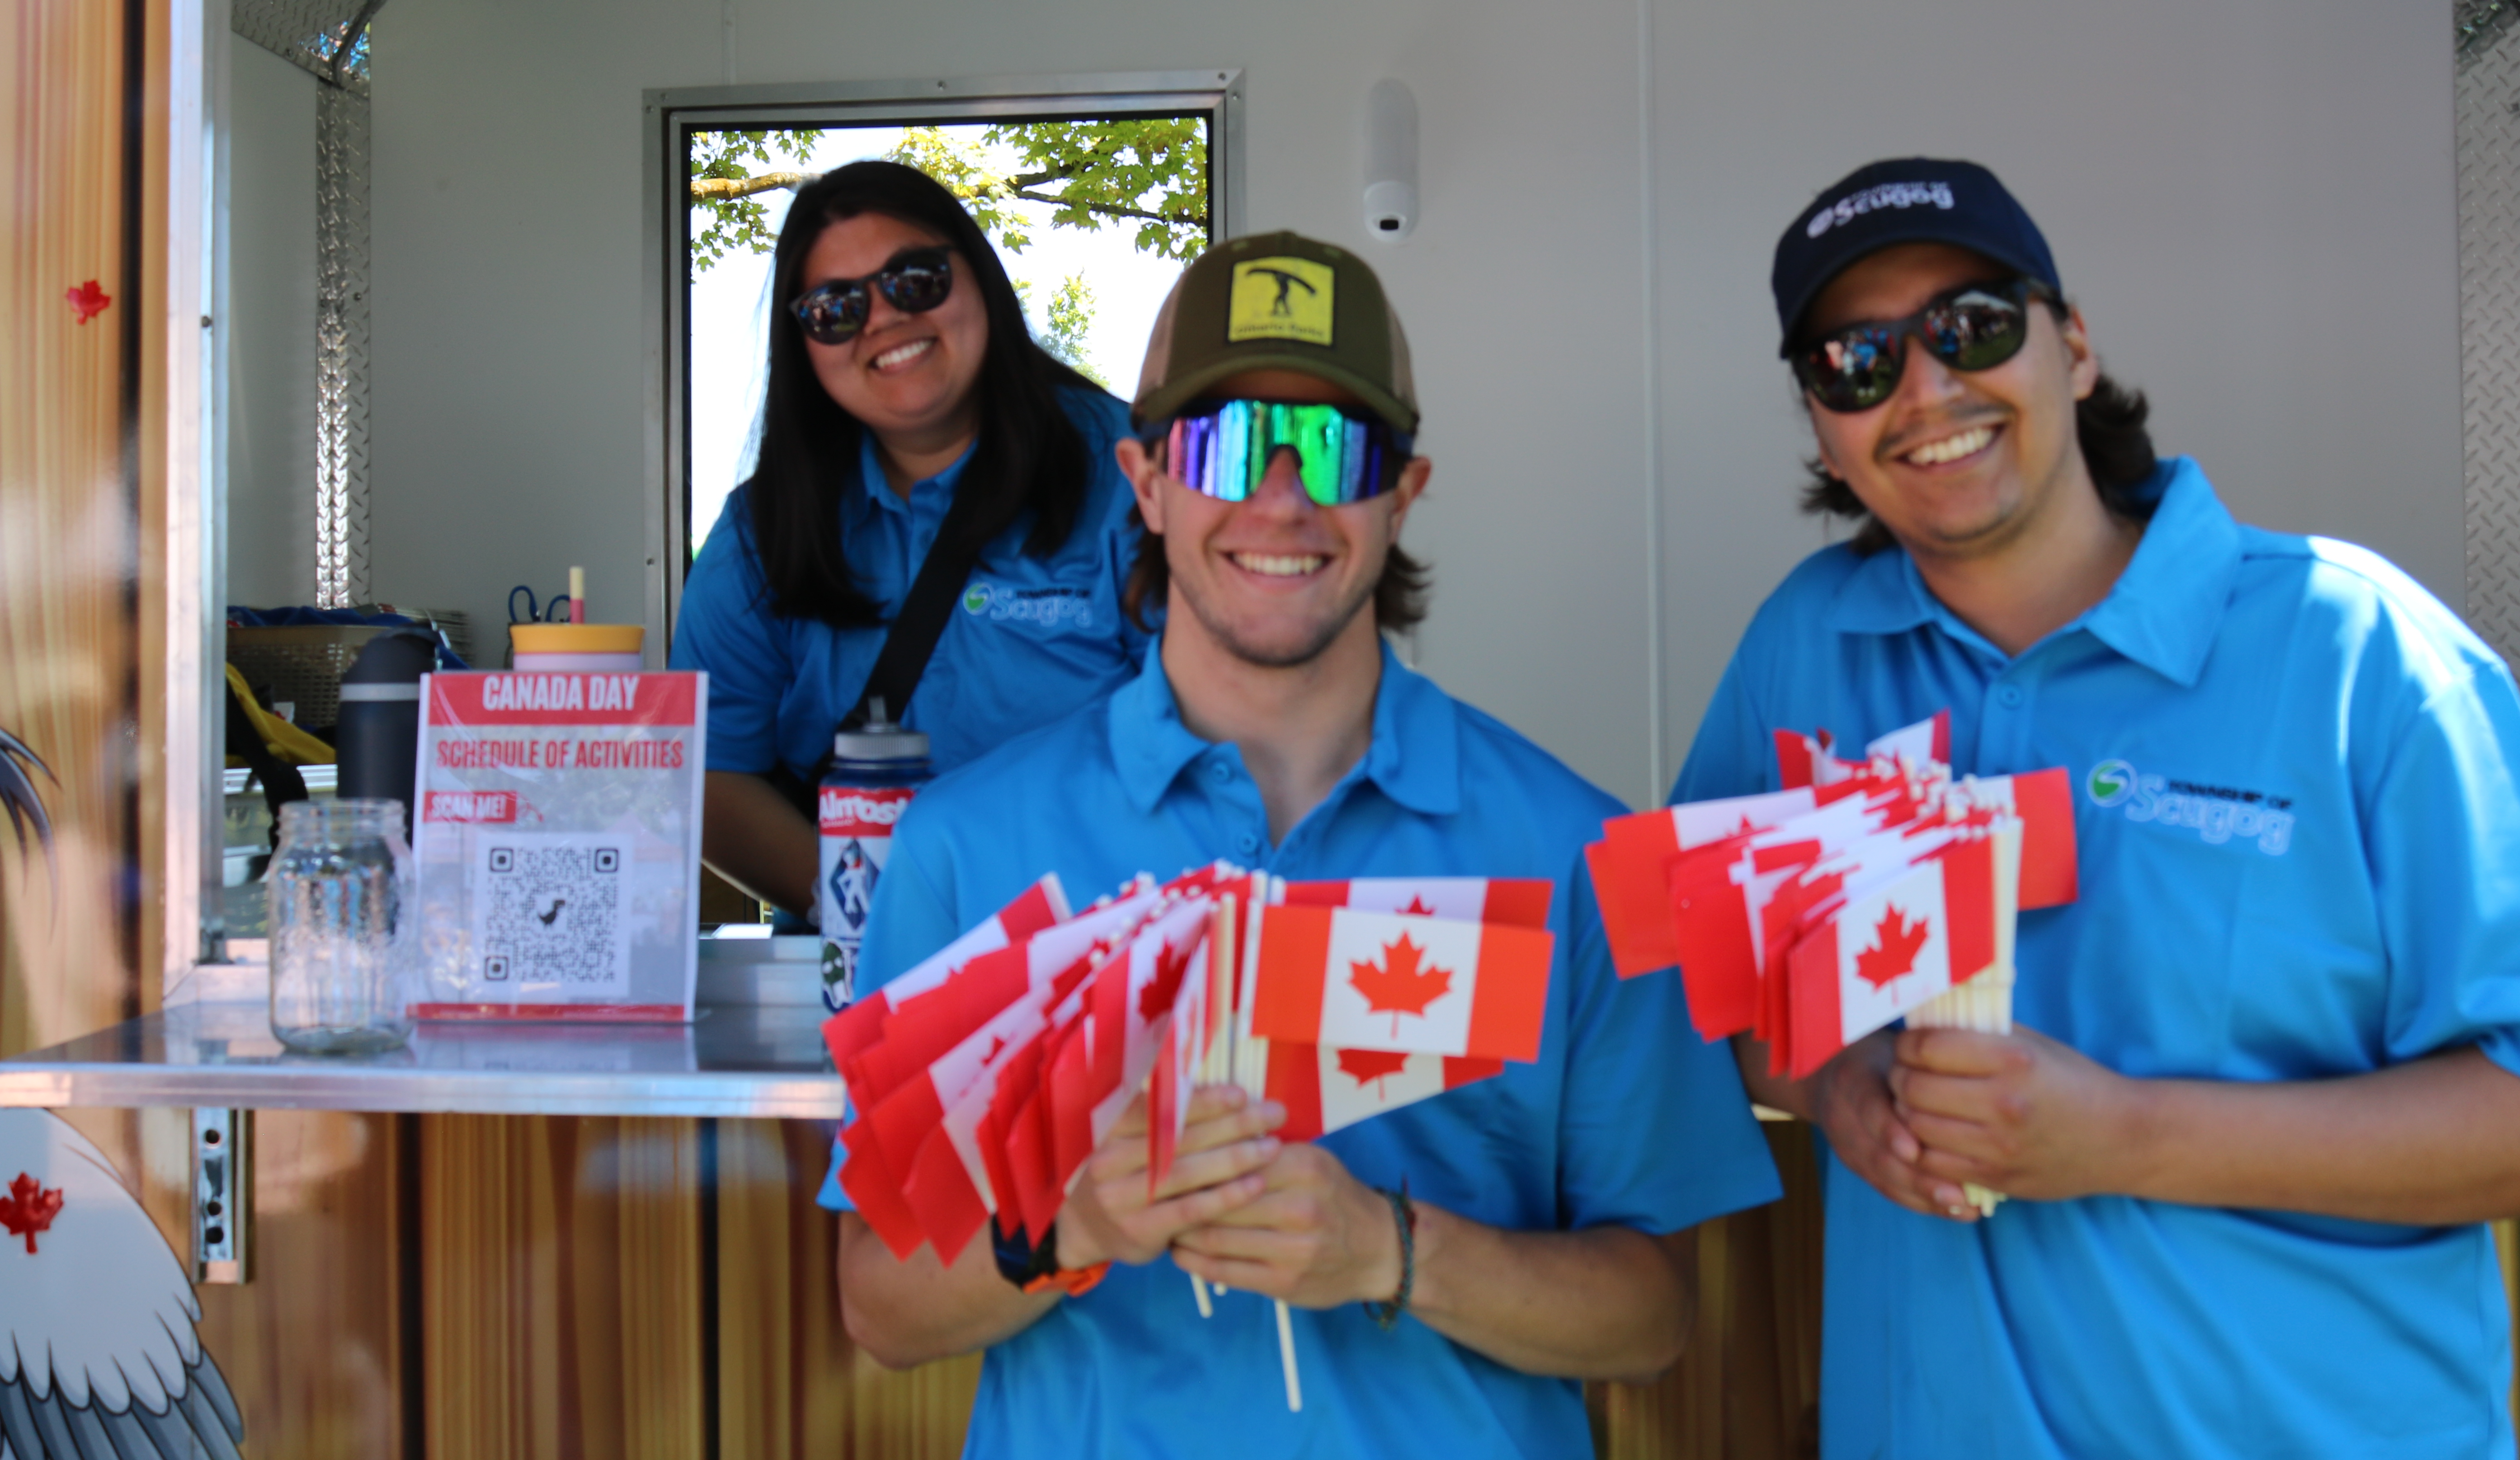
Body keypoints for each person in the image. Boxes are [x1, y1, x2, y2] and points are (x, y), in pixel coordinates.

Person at [1676, 157, 2520, 1458]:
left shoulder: (2358, 655)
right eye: (1856, 363)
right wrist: (1838, 1085)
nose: (1923, 390)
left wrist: (2127, 1136)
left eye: (1971, 326)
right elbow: (1709, 971)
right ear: (1823, 427)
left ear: (2073, 347)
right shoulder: (1807, 651)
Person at [832, 232, 1780, 1455]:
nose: (1281, 499)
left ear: (1402, 493)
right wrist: (1075, 1223)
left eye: (1336, 449)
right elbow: (881, 1304)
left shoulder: (1581, 854)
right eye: (1227, 446)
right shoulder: (972, 846)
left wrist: (1392, 1252)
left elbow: (1652, 1319)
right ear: (1148, 481)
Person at [672, 160, 1146, 918]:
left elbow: (1222, 732)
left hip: (1109, 959)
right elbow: (714, 775)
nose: (884, 320)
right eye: (835, 308)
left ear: (979, 276)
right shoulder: (759, 536)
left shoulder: (1136, 479)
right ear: (805, 346)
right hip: (860, 977)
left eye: (914, 280)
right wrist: (894, 925)